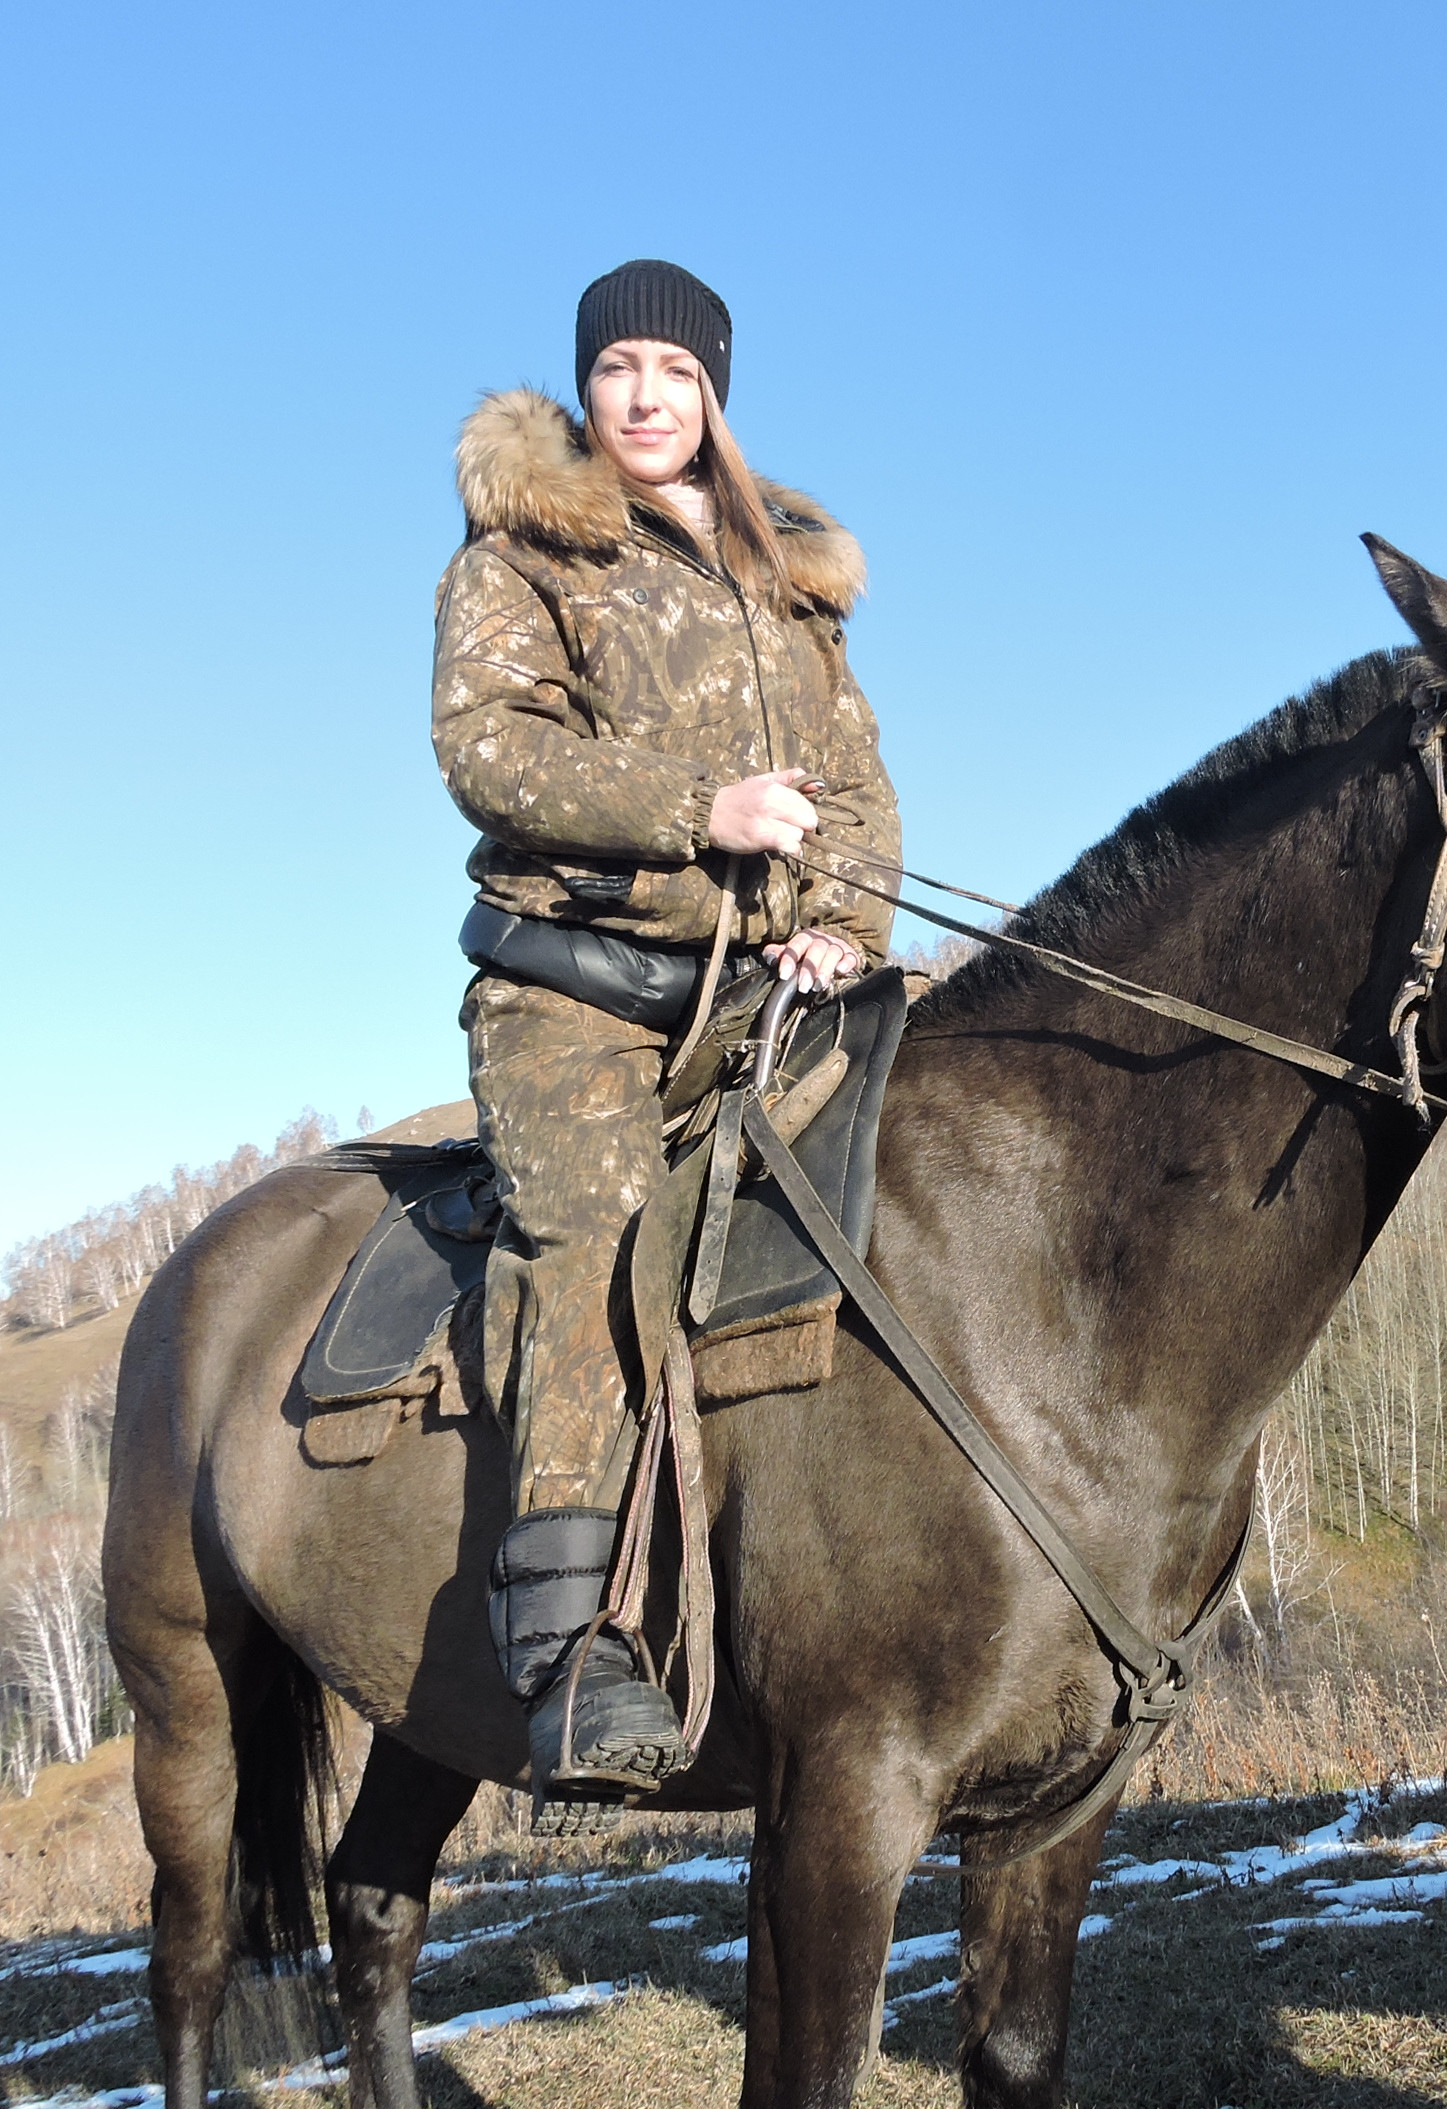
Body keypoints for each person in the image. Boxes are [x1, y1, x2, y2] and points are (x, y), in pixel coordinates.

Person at [433, 258, 897, 1813]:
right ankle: (571, 1657)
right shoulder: (523, 552)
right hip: (575, 994)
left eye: (675, 372)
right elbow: (487, 752)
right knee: (597, 1235)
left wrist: (849, 920)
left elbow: (856, 785)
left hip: (763, 995)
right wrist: (692, 814)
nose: (646, 395)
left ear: (714, 393)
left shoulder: (789, 580)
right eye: (619, 366)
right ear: (588, 386)